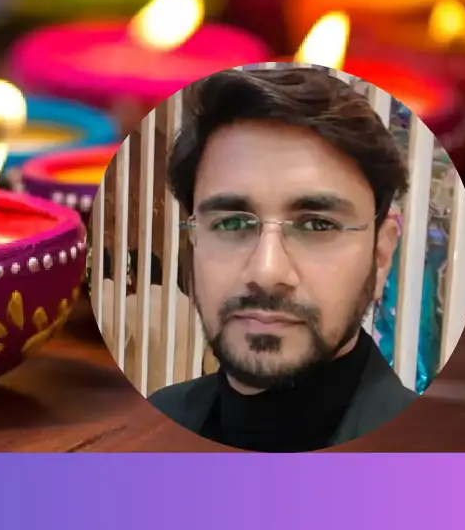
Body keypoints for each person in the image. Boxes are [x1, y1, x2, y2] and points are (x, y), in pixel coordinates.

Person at [149, 67, 418, 452]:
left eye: (317, 226)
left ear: (380, 255)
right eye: (232, 223)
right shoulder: (156, 422)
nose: (267, 271)